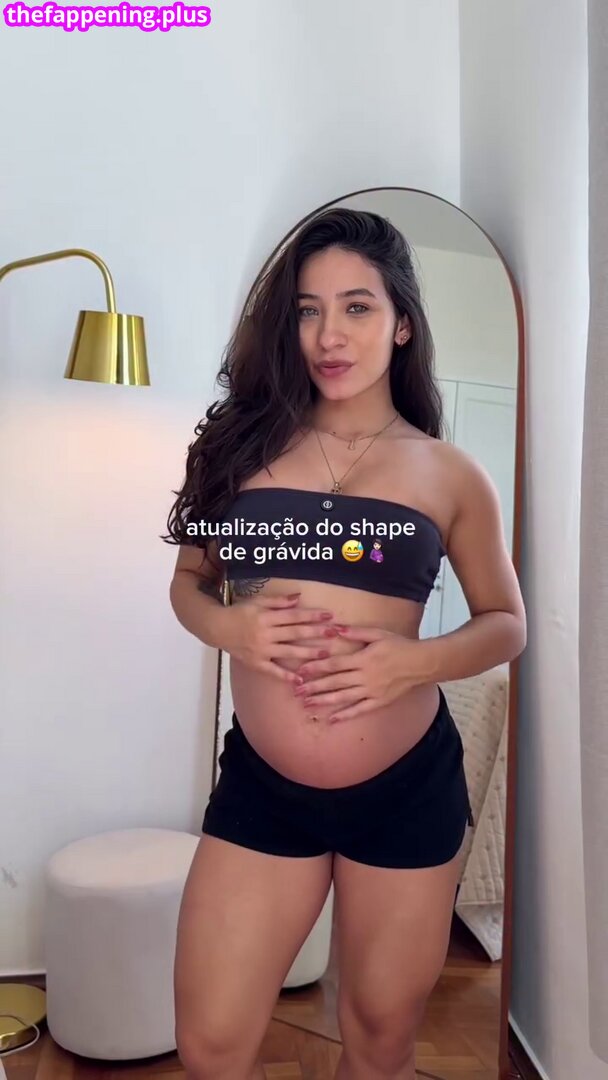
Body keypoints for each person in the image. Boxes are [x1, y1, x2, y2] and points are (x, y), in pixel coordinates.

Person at [164, 208, 527, 1080]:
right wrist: (231, 626)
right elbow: (188, 586)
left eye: (357, 307)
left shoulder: (449, 473)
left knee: (379, 1041)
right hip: (264, 787)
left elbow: (505, 622)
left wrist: (414, 661)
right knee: (209, 1043)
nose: (329, 335)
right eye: (308, 309)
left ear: (402, 324)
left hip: (406, 792)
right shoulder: (239, 449)